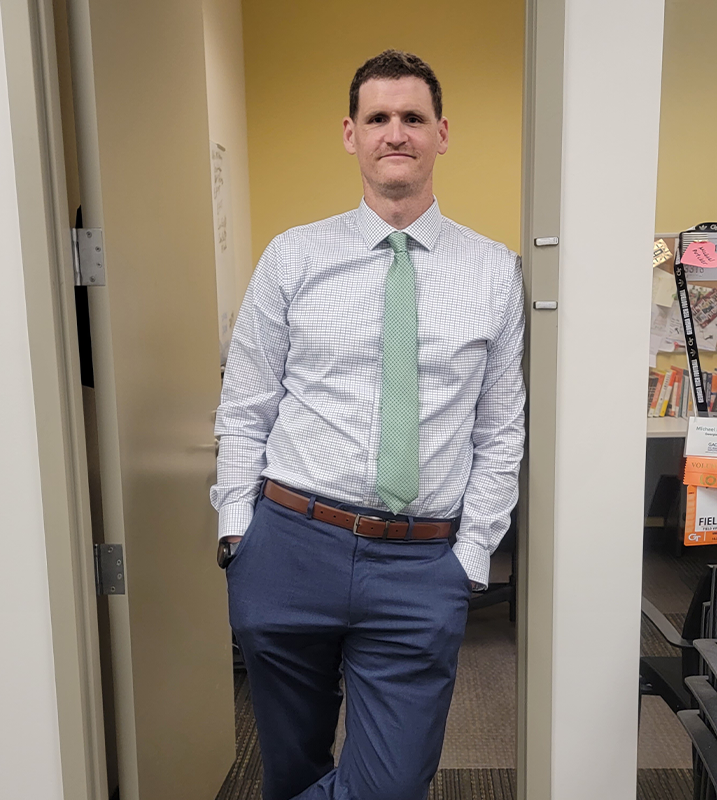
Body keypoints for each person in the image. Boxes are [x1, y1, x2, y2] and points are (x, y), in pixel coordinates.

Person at [211, 49, 525, 800]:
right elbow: (246, 401)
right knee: (290, 770)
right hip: (288, 545)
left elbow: (501, 427)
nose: (396, 133)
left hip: (421, 564)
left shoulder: (494, 271)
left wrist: (473, 554)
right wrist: (236, 529)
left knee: (389, 786)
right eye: (378, 118)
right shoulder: (293, 257)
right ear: (350, 134)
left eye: (412, 118)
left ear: (441, 134)